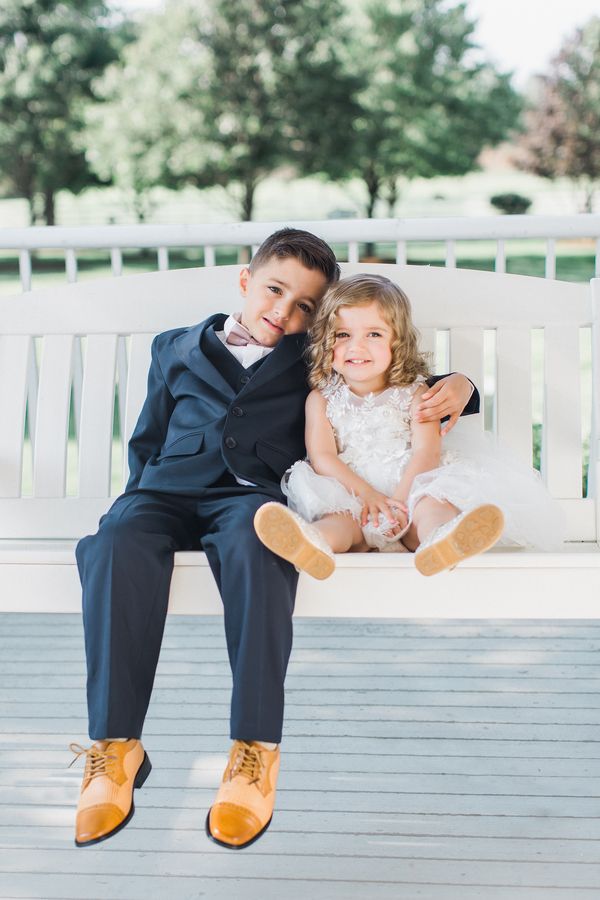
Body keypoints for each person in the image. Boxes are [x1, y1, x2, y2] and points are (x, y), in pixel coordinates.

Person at [71, 232, 479, 852]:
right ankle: (115, 745)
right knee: (112, 544)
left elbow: (387, 373)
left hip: (249, 498)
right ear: (245, 280)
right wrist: (132, 504)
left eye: (306, 308)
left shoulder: (314, 359)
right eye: (274, 291)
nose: (284, 313)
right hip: (165, 491)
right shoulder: (173, 348)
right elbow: (148, 436)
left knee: (264, 545)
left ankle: (254, 752)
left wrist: (467, 386)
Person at [254, 274, 565, 580]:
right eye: (342, 335)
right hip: (354, 494)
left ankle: (442, 541)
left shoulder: (415, 394)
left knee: (432, 505)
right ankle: (313, 543)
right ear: (324, 341)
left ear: (397, 342)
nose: (356, 347)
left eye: (373, 334)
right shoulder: (321, 400)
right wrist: (369, 497)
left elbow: (426, 453)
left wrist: (400, 503)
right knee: (339, 520)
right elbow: (323, 458)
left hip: (411, 488)